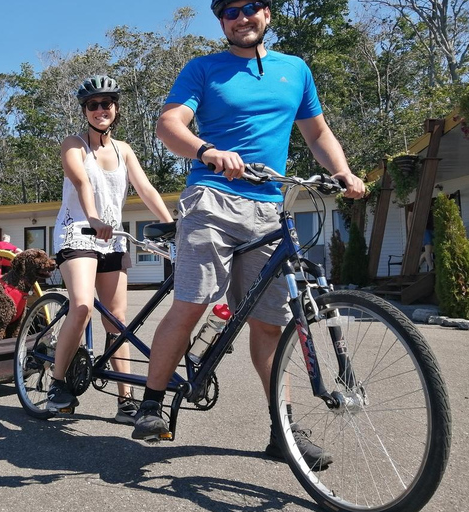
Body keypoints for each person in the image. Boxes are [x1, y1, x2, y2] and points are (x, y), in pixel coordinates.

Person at [131, 0, 366, 468]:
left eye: (251, 7)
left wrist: (342, 171)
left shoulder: (295, 70)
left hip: (268, 206)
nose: (242, 18)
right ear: (222, 22)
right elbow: (169, 124)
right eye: (230, 11)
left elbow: (317, 134)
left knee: (270, 322)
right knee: (194, 301)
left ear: (268, 14)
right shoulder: (204, 69)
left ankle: (284, 430)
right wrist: (207, 150)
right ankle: (152, 403)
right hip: (212, 198)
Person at [49, 75, 174, 424]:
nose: (101, 110)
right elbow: (81, 181)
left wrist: (170, 225)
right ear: (85, 111)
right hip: (78, 233)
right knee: (83, 306)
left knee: (117, 321)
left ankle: (126, 400)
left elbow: (145, 188)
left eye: (107, 104)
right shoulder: (73, 144)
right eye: (93, 105)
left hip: (113, 238)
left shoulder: (124, 150)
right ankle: (57, 385)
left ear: (116, 109)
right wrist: (91, 216)